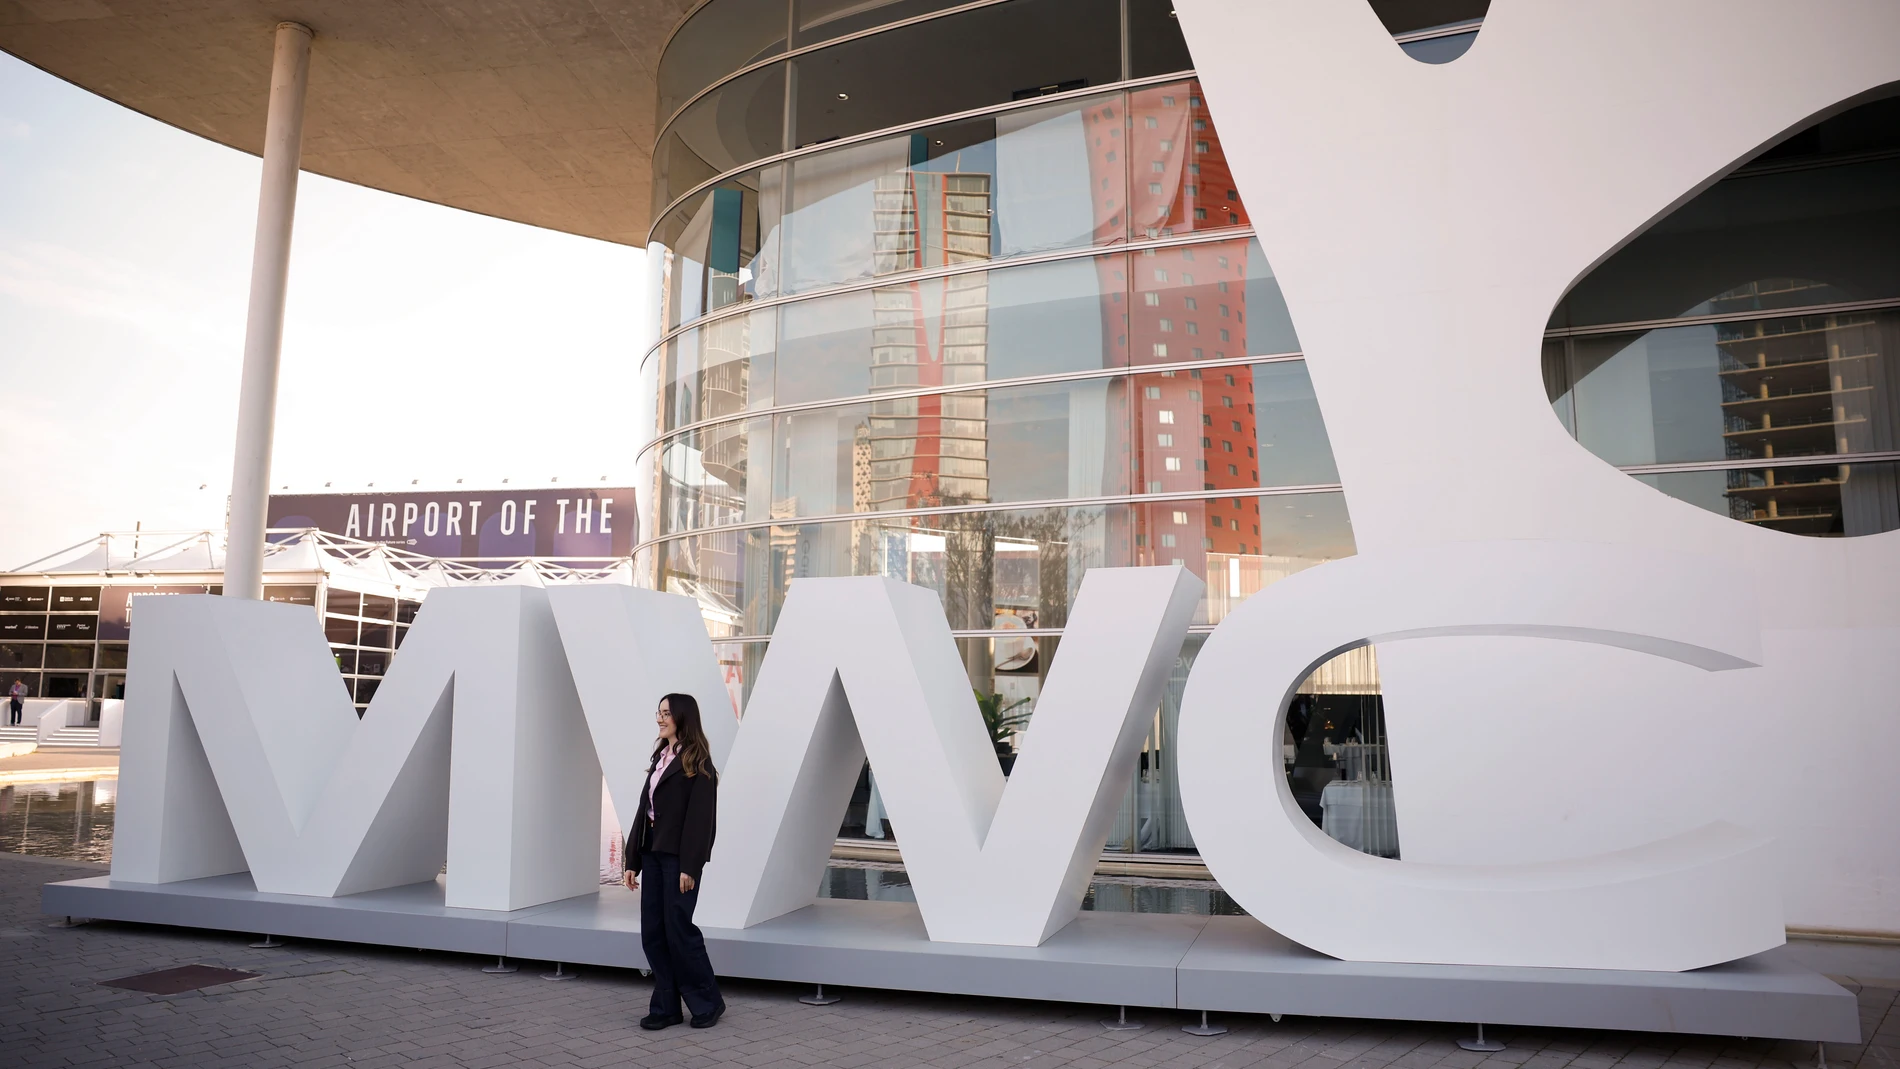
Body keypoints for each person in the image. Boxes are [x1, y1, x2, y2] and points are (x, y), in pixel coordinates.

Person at [623, 693, 724, 1030]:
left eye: (666, 713)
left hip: (678, 859)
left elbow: (701, 821)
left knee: (679, 930)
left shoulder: (699, 763)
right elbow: (644, 811)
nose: (660, 718)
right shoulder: (660, 758)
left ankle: (707, 1002)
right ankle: (666, 1007)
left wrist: (689, 867)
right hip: (651, 854)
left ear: (682, 717)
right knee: (653, 932)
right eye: (659, 712)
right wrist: (632, 860)